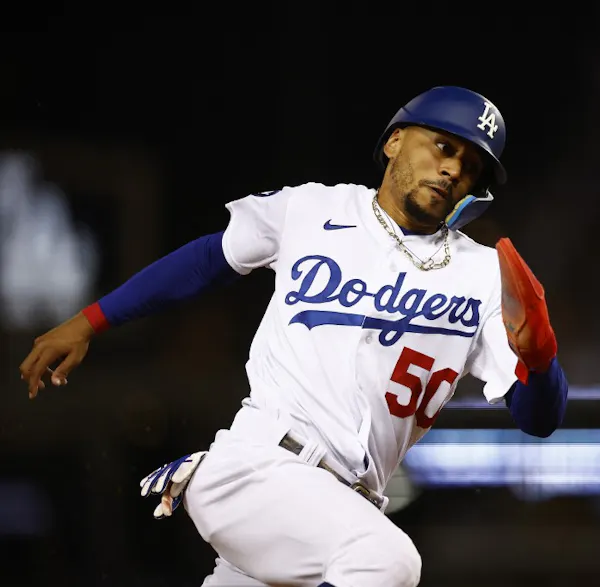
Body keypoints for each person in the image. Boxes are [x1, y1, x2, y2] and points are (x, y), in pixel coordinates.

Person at [19, 86, 569, 587]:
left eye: (472, 166)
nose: (454, 169)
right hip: (261, 466)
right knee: (390, 562)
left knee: (370, 554)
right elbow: (211, 258)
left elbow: (537, 418)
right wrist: (91, 320)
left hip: (338, 512)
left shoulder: (480, 275)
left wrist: (540, 359)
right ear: (395, 141)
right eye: (445, 147)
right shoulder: (314, 208)